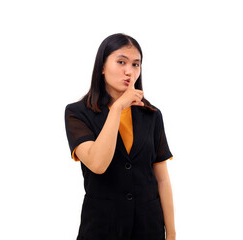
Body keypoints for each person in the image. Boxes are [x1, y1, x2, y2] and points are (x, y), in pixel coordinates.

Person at [64, 33, 176, 240]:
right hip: (102, 229)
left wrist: (171, 233)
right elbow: (98, 164)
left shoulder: (151, 115)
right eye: (121, 62)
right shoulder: (77, 113)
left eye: (136, 64)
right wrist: (117, 108)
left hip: (148, 228)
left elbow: (161, 179)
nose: (129, 71)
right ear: (102, 67)